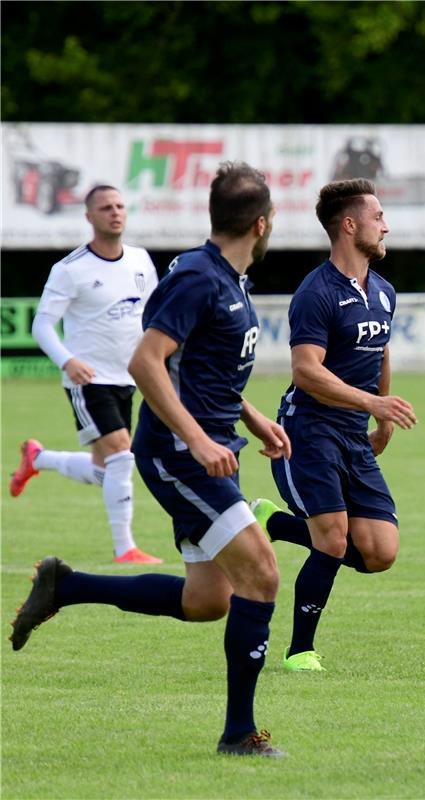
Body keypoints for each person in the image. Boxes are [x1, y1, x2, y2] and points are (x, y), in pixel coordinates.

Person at [10, 162, 290, 758]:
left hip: (212, 449)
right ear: (261, 224)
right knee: (262, 572)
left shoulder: (231, 279)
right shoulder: (197, 276)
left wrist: (251, 417)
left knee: (208, 601)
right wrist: (196, 438)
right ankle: (239, 733)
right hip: (178, 454)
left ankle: (66, 586)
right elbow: (147, 362)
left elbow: (205, 372)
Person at [248, 179, 417, 673]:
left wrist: (380, 415)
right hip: (310, 431)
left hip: (353, 434)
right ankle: (300, 650)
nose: (386, 225)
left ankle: (273, 522)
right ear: (350, 225)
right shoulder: (315, 291)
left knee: (381, 552)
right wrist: (372, 403)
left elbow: (382, 347)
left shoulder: (382, 291)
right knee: (333, 541)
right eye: (377, 217)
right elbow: (306, 371)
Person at [10, 185, 163, 564]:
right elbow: (43, 326)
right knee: (122, 457)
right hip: (89, 379)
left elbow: (154, 317)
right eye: (106, 207)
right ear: (89, 217)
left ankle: (38, 459)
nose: (115, 212)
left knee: (105, 470)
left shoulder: (141, 260)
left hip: (130, 378)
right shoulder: (70, 269)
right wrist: (67, 361)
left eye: (120, 206)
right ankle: (124, 548)